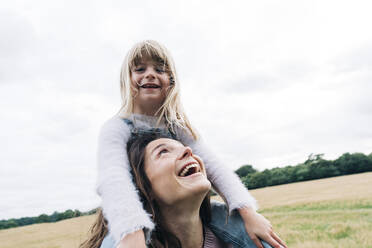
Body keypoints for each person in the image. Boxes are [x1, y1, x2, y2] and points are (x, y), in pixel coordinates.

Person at [96, 40, 286, 248]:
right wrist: (131, 232)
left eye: (159, 69)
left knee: (248, 229)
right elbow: (113, 180)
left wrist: (248, 212)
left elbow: (214, 167)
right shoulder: (116, 127)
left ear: (171, 80)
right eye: (140, 69)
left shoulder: (178, 128)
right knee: (113, 243)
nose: (150, 74)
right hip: (134, 214)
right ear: (126, 80)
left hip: (188, 212)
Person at [82, 131, 275, 248]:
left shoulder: (245, 237)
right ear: (141, 188)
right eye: (163, 151)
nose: (188, 150)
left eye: (184, 147)